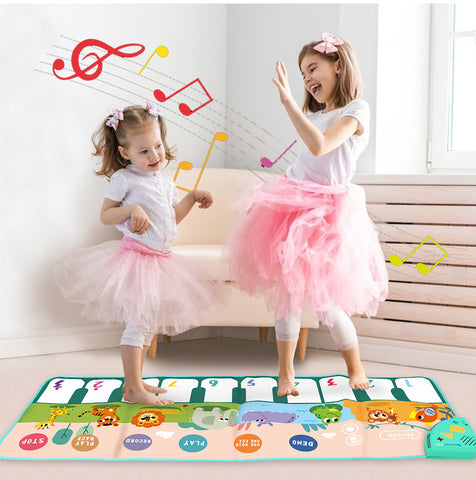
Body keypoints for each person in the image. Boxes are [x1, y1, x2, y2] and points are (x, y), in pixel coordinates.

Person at [227, 33, 388, 396]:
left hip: (328, 214)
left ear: (339, 66)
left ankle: (355, 366)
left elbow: (320, 146)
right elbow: (303, 165)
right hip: (293, 207)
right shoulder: (317, 115)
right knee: (287, 297)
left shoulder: (355, 111)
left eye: (313, 68)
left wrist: (287, 102)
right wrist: (269, 197)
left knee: (327, 305)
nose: (306, 79)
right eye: (302, 74)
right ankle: (285, 374)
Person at [55, 103, 216, 406]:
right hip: (137, 261)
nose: (155, 155)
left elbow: (171, 217)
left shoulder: (164, 182)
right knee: (138, 324)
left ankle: (137, 382)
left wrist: (191, 198)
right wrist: (130, 209)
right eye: (145, 151)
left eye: (158, 146)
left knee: (149, 324)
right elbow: (105, 215)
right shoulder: (125, 179)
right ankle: (132, 390)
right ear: (126, 153)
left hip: (162, 260)